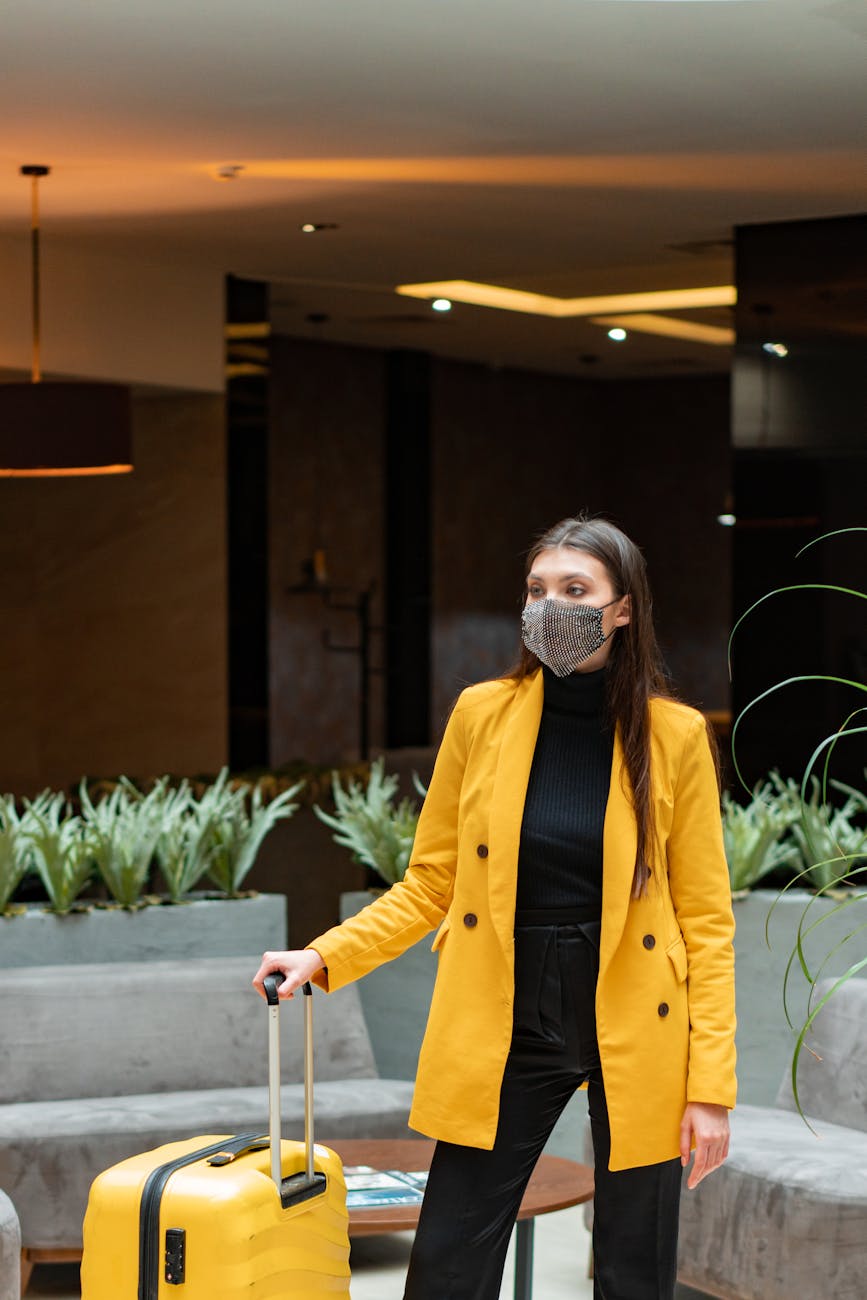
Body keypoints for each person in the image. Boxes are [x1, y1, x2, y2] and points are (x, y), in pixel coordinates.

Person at [253, 514, 736, 1300]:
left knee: (633, 1266)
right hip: (509, 1006)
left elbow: (707, 925)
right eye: (537, 590)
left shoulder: (673, 735)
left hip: (639, 1012)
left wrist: (709, 1091)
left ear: (621, 609)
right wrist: (324, 954)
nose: (550, 605)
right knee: (448, 1256)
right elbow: (429, 882)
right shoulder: (482, 714)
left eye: (574, 590)